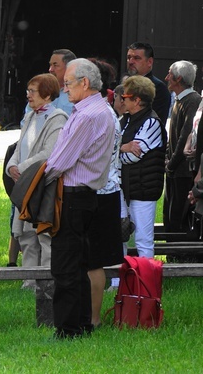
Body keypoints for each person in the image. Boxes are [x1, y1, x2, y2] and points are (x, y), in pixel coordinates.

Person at [44, 58, 116, 339]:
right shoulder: (100, 108)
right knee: (79, 265)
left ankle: (67, 330)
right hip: (85, 198)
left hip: (72, 198)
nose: (65, 90)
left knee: (65, 267)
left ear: (85, 83)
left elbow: (59, 162)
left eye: (68, 84)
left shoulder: (87, 115)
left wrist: (37, 181)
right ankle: (82, 324)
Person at [6, 74, 67, 289]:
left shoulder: (57, 118)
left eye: (33, 91)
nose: (28, 95)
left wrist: (20, 169)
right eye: (28, 90)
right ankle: (29, 280)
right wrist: (12, 166)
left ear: (47, 94)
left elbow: (49, 152)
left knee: (43, 234)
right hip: (25, 183)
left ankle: (47, 281)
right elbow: (19, 145)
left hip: (42, 184)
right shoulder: (31, 116)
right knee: (26, 235)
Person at [85, 59, 124, 328]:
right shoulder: (104, 111)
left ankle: (94, 319)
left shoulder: (102, 114)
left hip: (101, 193)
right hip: (102, 191)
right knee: (88, 259)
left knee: (93, 261)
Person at [120, 75, 167, 258]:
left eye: (125, 97)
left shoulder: (152, 122)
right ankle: (118, 282)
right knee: (121, 236)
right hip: (124, 188)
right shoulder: (125, 121)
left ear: (137, 100)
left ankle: (145, 284)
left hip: (144, 190)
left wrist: (116, 152)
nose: (122, 100)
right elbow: (112, 149)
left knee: (143, 240)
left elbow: (132, 157)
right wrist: (122, 147)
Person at [164, 61, 201, 233]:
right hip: (175, 171)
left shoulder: (192, 101)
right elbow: (174, 136)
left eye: (169, 74)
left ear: (178, 78)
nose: (166, 78)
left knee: (180, 220)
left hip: (184, 172)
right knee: (170, 218)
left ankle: (183, 257)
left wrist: (170, 164)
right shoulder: (180, 100)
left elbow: (185, 136)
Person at [126, 42, 172, 126]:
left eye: (137, 58)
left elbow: (155, 122)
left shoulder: (158, 88)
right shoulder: (125, 84)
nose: (131, 61)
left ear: (150, 62)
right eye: (129, 57)